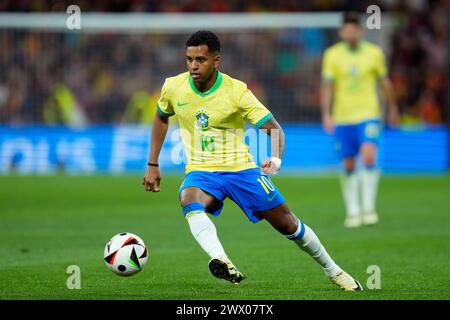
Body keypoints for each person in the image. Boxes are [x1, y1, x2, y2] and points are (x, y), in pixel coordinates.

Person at [143, 30, 362, 290]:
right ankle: (220, 258)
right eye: (189, 59)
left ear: (216, 60)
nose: (193, 66)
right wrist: (152, 163)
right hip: (201, 170)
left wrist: (276, 159)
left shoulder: (236, 91)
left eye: (200, 59)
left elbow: (274, 128)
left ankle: (333, 270)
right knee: (188, 198)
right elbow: (161, 116)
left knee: (288, 224)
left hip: (241, 170)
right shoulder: (173, 86)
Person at [320, 12, 399, 228]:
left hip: (369, 114)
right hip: (343, 116)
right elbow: (327, 87)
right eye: (347, 30)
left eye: (354, 30)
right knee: (348, 163)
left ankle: (369, 208)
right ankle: (353, 210)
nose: (351, 34)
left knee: (369, 156)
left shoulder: (374, 53)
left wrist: (393, 108)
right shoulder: (332, 55)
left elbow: (385, 83)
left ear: (360, 31)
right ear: (342, 32)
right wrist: (326, 113)